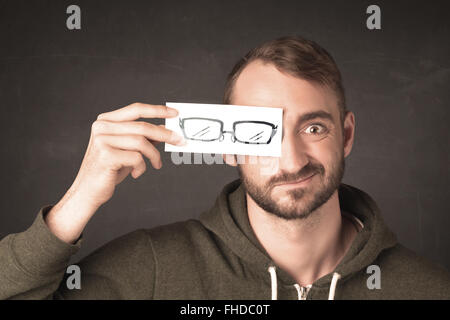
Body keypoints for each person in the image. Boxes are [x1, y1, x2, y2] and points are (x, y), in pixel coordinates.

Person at [1, 36, 449, 300]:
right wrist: (77, 202)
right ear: (227, 148)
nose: (291, 161)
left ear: (346, 134)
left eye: (313, 128)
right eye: (260, 132)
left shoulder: (428, 290)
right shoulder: (153, 269)